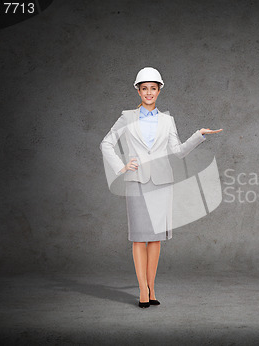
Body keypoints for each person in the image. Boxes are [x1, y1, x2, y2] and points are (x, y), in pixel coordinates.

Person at [100, 67, 222, 308]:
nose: (148, 93)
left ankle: (152, 288)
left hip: (162, 184)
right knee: (138, 238)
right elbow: (106, 143)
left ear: (159, 91)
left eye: (152, 89)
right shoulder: (126, 117)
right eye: (144, 88)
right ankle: (142, 290)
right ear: (138, 90)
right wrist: (122, 166)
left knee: (155, 239)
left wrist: (199, 135)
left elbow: (177, 151)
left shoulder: (168, 120)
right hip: (136, 182)